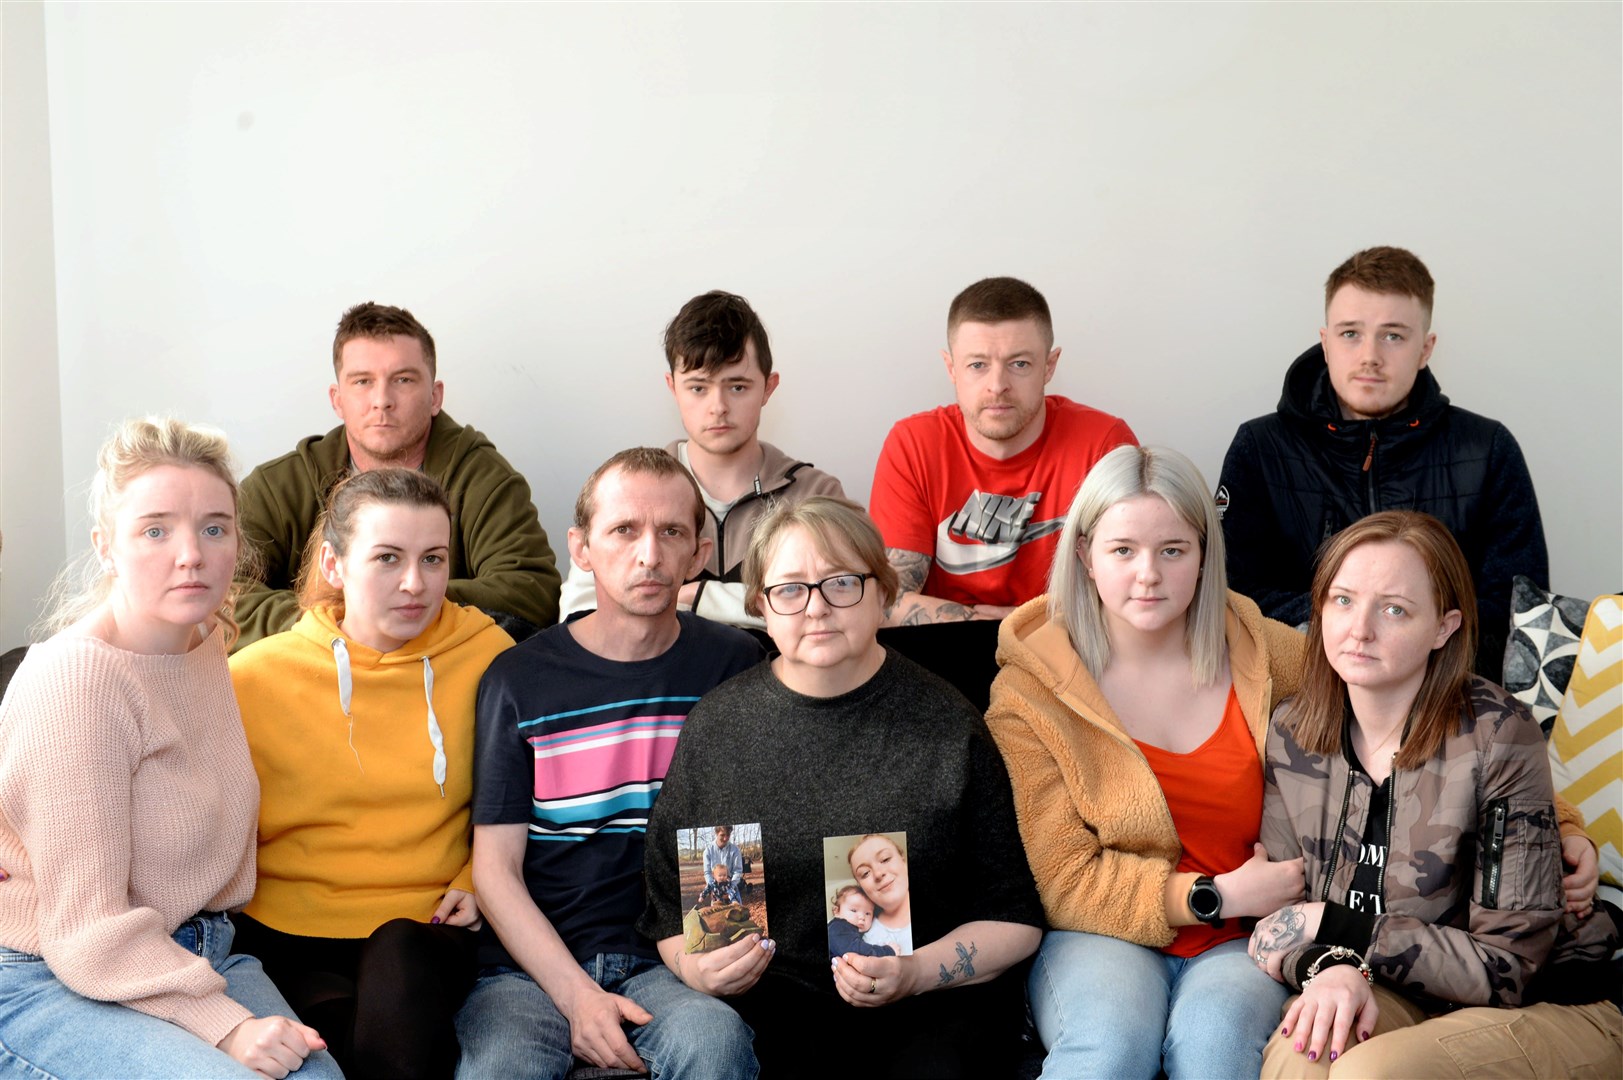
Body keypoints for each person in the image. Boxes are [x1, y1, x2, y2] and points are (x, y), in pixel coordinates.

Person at [642, 496, 1044, 1078]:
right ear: (760, 605)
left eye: (842, 583)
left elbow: (1015, 918)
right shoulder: (718, 728)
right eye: (790, 589)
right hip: (770, 1010)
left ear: (882, 592)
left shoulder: (949, 726)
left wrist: (916, 972)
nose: (817, 608)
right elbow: (665, 916)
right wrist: (694, 968)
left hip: (928, 1005)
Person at [0, 417, 340, 1079]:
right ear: (106, 546)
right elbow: (86, 935)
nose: (192, 554)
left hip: (195, 949)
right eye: (155, 530)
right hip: (52, 974)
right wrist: (228, 1028)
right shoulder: (77, 680)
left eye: (214, 527)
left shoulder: (205, 640)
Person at [1249, 510, 1621, 1077]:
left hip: (1552, 996)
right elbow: (1286, 914)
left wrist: (1342, 932)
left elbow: (1510, 966)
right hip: (1401, 984)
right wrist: (1332, 966)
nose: (1360, 629)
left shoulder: (1498, 734)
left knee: (1366, 1074)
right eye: (1343, 600)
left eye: (1394, 609)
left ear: (1444, 628)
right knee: (1306, 1054)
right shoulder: (1294, 732)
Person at [985, 443, 1308, 1078]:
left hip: (1242, 940)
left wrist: (1564, 829)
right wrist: (1218, 893)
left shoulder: (1271, 654)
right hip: (1102, 935)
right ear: (1085, 555)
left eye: (1173, 550)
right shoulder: (1030, 691)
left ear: (1204, 553)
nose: (1148, 575)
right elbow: (1063, 879)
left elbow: (1406, 730)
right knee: (1110, 1048)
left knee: (1214, 1050)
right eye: (1123, 550)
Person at [459, 447, 763, 1080]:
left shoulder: (734, 665)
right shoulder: (519, 679)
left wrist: (720, 955)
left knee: (716, 1042)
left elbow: (737, 831)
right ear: (582, 547)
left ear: (699, 555)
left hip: (671, 961)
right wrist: (577, 997)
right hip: (528, 971)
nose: (648, 554)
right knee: (499, 1069)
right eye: (624, 530)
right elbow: (495, 871)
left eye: (671, 532)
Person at [229, 468, 515, 1078]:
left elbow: (532, 790)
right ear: (334, 565)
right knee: (354, 1054)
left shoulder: (491, 656)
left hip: (430, 925)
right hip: (291, 931)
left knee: (399, 951)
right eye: (387, 558)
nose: (416, 584)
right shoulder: (252, 677)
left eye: (433, 559)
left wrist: (477, 871)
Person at [1216, 246, 1548, 679]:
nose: (1370, 355)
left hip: (1451, 702)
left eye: (1393, 335)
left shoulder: (1486, 448)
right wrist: (1355, 626)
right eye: (1350, 333)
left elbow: (1519, 610)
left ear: (1426, 348)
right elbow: (1230, 594)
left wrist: (1414, 657)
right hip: (1297, 694)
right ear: (1325, 342)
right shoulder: (1260, 447)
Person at [235, 301, 560, 648]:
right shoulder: (278, 486)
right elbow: (220, 592)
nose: (382, 400)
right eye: (362, 381)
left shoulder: (482, 477)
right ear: (337, 399)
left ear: (435, 397)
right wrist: (336, 623)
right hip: (315, 675)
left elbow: (532, 590)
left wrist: (397, 603)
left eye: (402, 380)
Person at [560, 290, 845, 629]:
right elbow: (578, 619)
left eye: (737, 387)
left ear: (768, 387)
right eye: (698, 388)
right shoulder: (622, 491)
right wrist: (770, 600)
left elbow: (846, 608)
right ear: (672, 387)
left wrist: (699, 598)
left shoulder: (816, 494)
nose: (718, 406)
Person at [870, 276, 1136, 625]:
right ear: (952, 368)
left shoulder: (1103, 443)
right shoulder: (914, 444)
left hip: (1073, 653)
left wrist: (1028, 627)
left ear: (1049, 366)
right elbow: (886, 601)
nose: (998, 386)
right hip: (941, 655)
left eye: (1019, 363)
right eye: (978, 365)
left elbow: (1135, 588)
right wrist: (1014, 627)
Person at [827, 885, 895, 961]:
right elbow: (857, 952)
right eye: (854, 910)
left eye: (867, 913)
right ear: (836, 911)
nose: (862, 917)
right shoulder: (837, 928)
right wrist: (888, 951)